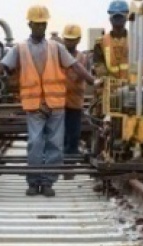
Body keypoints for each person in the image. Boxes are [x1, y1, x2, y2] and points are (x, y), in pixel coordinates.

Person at [0, 5, 100, 197]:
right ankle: (33, 181)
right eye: (37, 24)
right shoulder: (20, 48)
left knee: (55, 145)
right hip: (34, 106)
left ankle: (48, 182)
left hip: (55, 105)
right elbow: (1, 67)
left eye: (43, 24)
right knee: (36, 143)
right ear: (30, 24)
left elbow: (75, 67)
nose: (40, 27)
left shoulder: (57, 48)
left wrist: (93, 81)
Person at [62, 24, 88, 159]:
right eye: (67, 39)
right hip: (59, 101)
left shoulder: (83, 58)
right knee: (60, 132)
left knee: (73, 132)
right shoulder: (58, 55)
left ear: (78, 40)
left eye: (72, 39)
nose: (69, 42)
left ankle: (72, 156)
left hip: (75, 101)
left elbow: (84, 75)